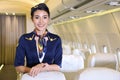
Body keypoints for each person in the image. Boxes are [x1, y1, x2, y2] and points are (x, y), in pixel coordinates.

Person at [14, 3, 63, 77]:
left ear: (49, 19)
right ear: (32, 19)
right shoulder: (24, 39)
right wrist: (33, 70)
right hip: (31, 76)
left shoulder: (56, 39)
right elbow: (18, 67)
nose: (41, 21)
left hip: (50, 77)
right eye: (37, 17)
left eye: (44, 17)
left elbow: (58, 66)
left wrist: (42, 67)